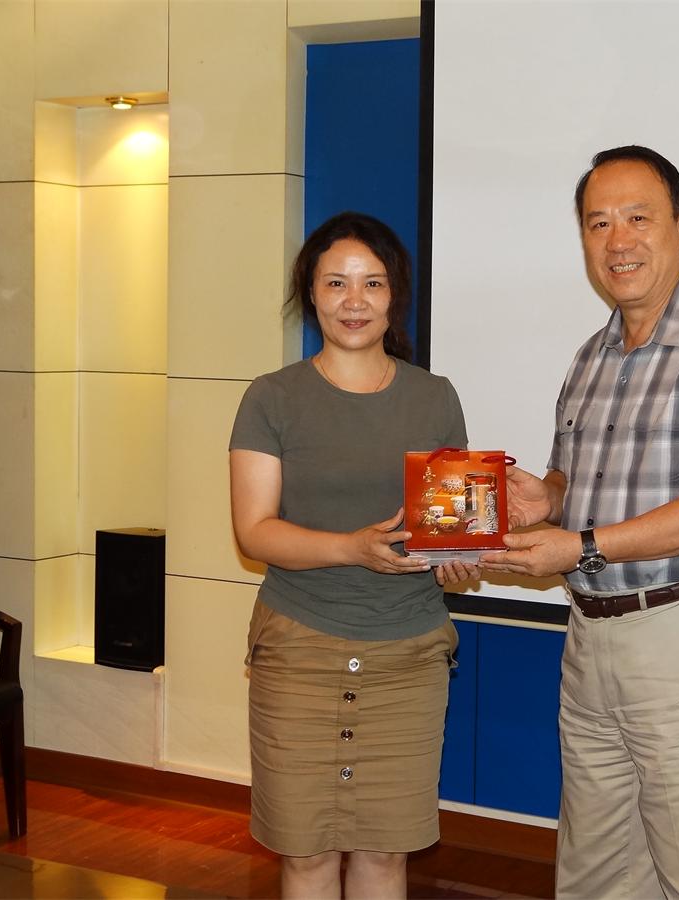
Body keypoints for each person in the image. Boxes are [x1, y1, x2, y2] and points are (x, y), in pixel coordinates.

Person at [481, 146, 679, 899]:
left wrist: (578, 545)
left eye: (639, 218)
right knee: (597, 878)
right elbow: (571, 483)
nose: (619, 240)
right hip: (591, 641)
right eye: (598, 223)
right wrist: (544, 499)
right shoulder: (592, 357)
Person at [228, 211, 474, 899]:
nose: (354, 300)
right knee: (306, 855)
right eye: (336, 282)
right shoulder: (272, 398)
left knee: (384, 855)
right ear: (311, 293)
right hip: (297, 649)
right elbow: (254, 532)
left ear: (396, 294)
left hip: (409, 656)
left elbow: (449, 528)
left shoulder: (435, 397)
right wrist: (352, 549)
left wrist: (459, 559)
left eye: (372, 283)